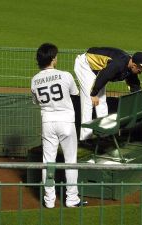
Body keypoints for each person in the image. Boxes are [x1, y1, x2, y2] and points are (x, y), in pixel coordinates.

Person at [31, 43, 87, 208]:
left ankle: (49, 201)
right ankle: (72, 199)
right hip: (66, 123)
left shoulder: (34, 80)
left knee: (48, 162)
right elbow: (75, 95)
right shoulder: (65, 75)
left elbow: (36, 102)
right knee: (71, 161)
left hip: (48, 123)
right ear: (53, 59)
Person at [74, 47, 142, 141]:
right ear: (134, 65)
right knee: (88, 101)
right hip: (85, 65)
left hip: (97, 71)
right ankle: (85, 138)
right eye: (141, 69)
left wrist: (141, 98)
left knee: (101, 101)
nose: (141, 72)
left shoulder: (130, 68)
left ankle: (104, 133)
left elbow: (134, 86)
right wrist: (93, 94)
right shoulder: (118, 64)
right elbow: (104, 75)